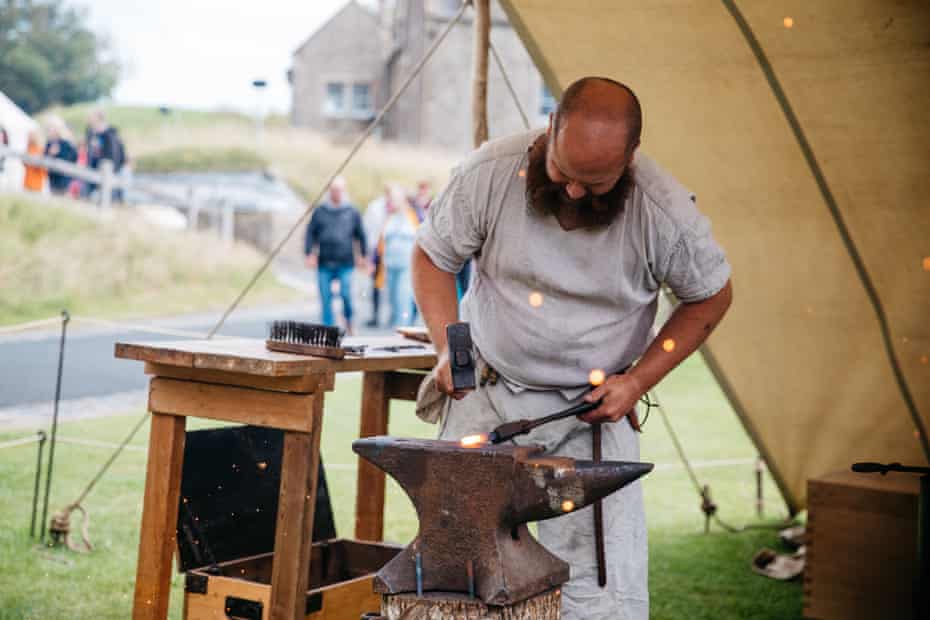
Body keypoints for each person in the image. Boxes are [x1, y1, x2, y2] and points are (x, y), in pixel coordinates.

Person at [412, 77, 732, 620]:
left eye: (596, 182)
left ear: (630, 158)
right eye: (564, 173)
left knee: (597, 598)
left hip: (591, 414)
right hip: (488, 393)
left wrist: (637, 382)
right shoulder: (490, 173)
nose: (576, 193)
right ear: (551, 128)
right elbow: (433, 257)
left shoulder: (663, 210)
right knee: (459, 577)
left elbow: (710, 297)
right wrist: (448, 346)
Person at [304, 176, 367, 333]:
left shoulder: (352, 211)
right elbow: (310, 233)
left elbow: (361, 235)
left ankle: (349, 319)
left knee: (346, 294)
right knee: (325, 298)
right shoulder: (320, 211)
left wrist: (363, 255)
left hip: (346, 262)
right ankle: (328, 330)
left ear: (344, 191)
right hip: (324, 262)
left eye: (339, 190)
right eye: (333, 190)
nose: (336, 193)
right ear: (329, 191)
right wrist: (309, 253)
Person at [379, 185, 420, 327]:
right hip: (390, 264)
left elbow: (420, 238)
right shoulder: (389, 217)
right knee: (393, 300)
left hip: (406, 265)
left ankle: (404, 327)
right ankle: (398, 327)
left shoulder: (412, 215)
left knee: (403, 298)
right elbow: (381, 240)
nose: (390, 202)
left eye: (393, 199)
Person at [363, 185, 390, 327]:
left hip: (393, 252)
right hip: (377, 251)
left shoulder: (401, 208)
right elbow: (367, 230)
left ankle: (396, 316)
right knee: (376, 285)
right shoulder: (374, 207)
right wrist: (368, 257)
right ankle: (375, 315)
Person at [86, 109, 127, 202]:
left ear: (99, 119)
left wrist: (113, 171)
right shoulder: (91, 133)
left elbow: (116, 155)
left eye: (91, 118)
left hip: (110, 170)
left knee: (111, 198)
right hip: (94, 170)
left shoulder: (110, 134)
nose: (88, 120)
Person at [43, 117, 78, 195]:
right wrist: (50, 154)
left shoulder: (66, 143)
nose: (50, 131)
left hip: (64, 179)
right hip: (52, 177)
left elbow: (72, 158)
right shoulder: (49, 143)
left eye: (52, 129)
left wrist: (58, 153)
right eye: (49, 129)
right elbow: (44, 157)